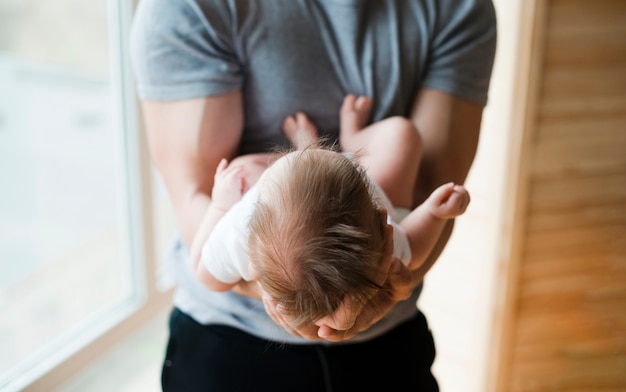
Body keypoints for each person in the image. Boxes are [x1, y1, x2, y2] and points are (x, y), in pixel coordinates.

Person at [129, 0, 497, 390]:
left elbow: (431, 179)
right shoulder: (189, 8)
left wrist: (224, 203)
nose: (284, 159)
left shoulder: (458, 7)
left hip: (386, 345)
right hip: (232, 343)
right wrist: (433, 216)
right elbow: (194, 195)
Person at [192, 94, 471, 329]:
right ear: (379, 219)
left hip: (281, 196)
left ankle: (307, 149)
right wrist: (435, 214)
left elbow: (204, 275)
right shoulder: (375, 243)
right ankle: (346, 140)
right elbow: (413, 249)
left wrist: (220, 205)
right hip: (369, 190)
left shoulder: (239, 229)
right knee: (402, 134)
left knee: (239, 172)